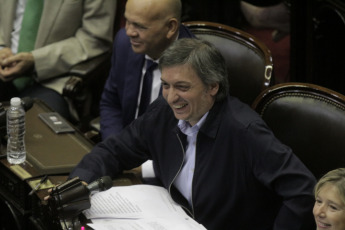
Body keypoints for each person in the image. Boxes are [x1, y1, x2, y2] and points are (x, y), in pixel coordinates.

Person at [70, 38, 316, 230]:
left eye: (182, 87)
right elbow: (114, 150)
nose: (171, 97)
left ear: (212, 87)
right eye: (166, 85)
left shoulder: (245, 131)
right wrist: (81, 181)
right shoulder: (164, 113)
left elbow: (303, 190)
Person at [0, 0, 116, 119]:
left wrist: (36, 61)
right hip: (4, 63)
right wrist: (1, 47)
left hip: (55, 77)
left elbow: (94, 40)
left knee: (34, 127)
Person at [99, 0, 195, 140]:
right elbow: (112, 103)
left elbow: (191, 138)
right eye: (127, 21)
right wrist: (116, 148)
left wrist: (145, 163)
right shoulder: (124, 43)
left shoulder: (197, 68)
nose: (129, 32)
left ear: (170, 27)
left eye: (140, 26)